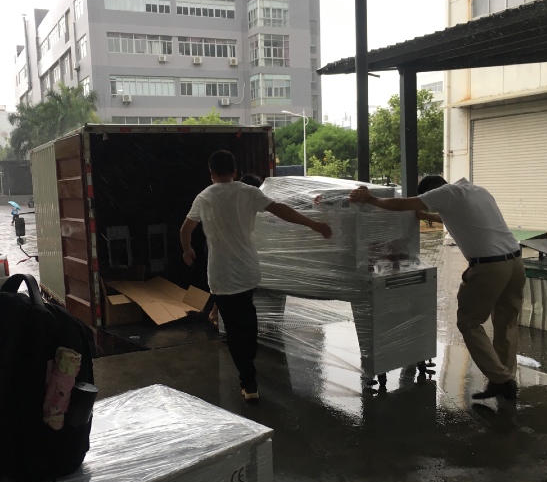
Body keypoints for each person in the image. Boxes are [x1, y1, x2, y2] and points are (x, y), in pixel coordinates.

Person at [349, 173, 525, 406]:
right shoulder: (476, 191)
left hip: (489, 268)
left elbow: (403, 204)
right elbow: (458, 218)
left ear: (432, 191)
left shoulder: (446, 193)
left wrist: (370, 199)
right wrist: (426, 215)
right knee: (506, 323)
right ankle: (505, 378)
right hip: (515, 263)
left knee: (469, 323)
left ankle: (501, 379)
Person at [180, 149, 332, 402]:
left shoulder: (204, 197)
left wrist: (187, 250)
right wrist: (313, 224)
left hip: (220, 275)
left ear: (211, 173)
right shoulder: (248, 192)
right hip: (246, 271)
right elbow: (281, 209)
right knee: (247, 320)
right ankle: (249, 364)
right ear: (235, 171)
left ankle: (248, 380)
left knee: (233, 328)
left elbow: (186, 229)